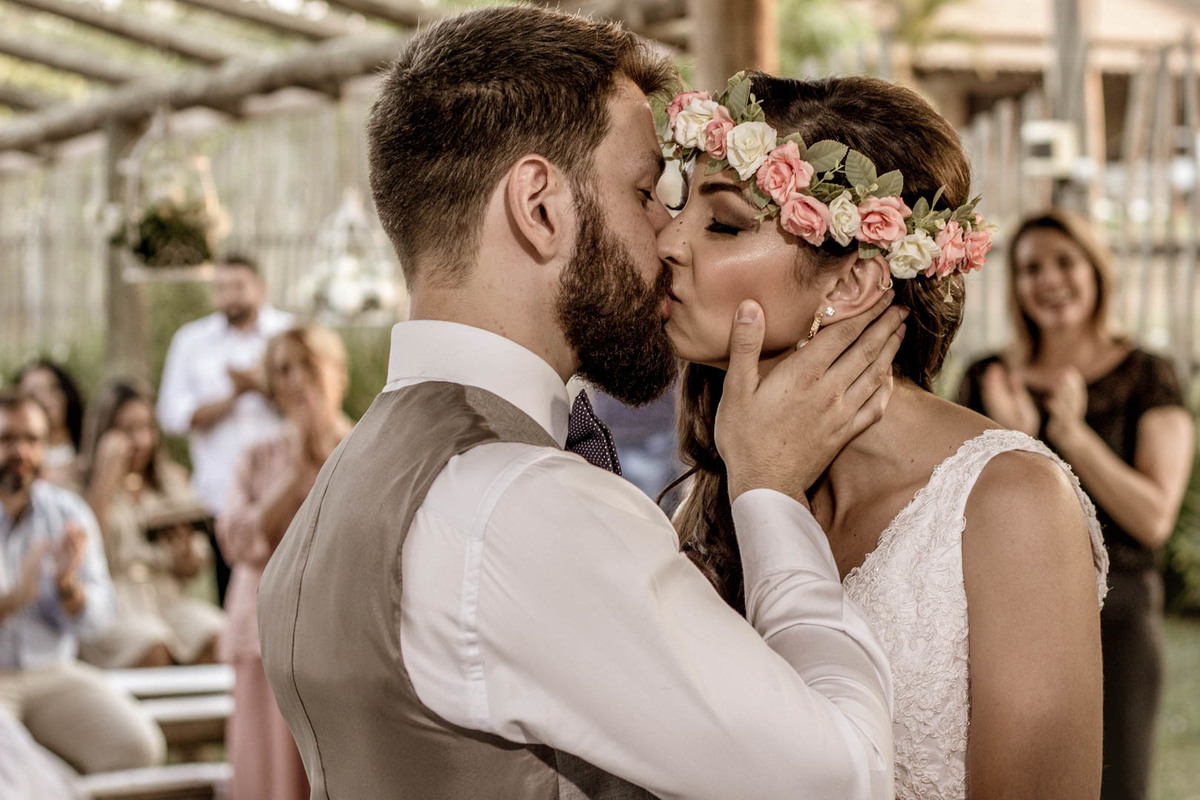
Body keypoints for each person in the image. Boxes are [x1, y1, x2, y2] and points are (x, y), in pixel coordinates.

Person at [258, 7, 907, 800]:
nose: (669, 238)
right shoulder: (517, 503)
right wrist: (769, 489)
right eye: (644, 193)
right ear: (540, 207)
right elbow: (845, 777)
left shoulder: (351, 482)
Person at [659, 74, 1109, 800]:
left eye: (723, 224)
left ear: (852, 283)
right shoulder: (717, 493)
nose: (666, 243)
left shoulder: (1010, 503)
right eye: (676, 207)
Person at [956, 208, 1194, 800]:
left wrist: (1067, 434)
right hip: (1001, 625)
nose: (1049, 279)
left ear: (1096, 270)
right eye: (1031, 267)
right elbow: (956, 504)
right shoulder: (988, 377)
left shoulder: (1147, 376)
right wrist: (1016, 437)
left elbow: (1154, 518)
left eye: (1065, 261)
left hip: (1116, 626)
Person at [218, 324, 352, 800]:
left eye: (308, 365)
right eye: (282, 370)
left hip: (342, 636)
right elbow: (236, 540)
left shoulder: (364, 449)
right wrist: (291, 478)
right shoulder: (256, 455)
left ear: (340, 375)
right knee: (268, 770)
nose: (296, 381)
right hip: (262, 634)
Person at [0, 389, 165, 774]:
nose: (21, 451)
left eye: (32, 440)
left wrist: (70, 591)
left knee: (138, 748)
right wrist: (13, 599)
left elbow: (100, 616)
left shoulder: (67, 512)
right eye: (8, 438)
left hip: (52, 673)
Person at [156, 254, 294, 605]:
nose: (229, 296)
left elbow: (313, 404)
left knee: (291, 594)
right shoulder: (190, 341)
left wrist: (262, 386)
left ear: (260, 289)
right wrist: (232, 396)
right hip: (221, 497)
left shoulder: (289, 334)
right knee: (233, 598)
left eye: (238, 286)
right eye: (220, 288)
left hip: (288, 493)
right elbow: (171, 416)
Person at [76, 378, 225, 669]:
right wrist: (104, 482)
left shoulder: (170, 481)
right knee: (153, 645)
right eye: (126, 430)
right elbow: (85, 557)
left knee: (220, 635)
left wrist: (184, 555)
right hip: (115, 605)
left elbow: (194, 566)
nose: (139, 440)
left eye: (145, 428)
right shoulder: (78, 485)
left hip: (167, 601)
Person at [16, 360, 85, 488]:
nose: (45, 398)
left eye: (53, 388)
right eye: (33, 393)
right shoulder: (16, 460)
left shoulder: (88, 451)